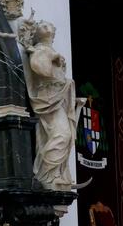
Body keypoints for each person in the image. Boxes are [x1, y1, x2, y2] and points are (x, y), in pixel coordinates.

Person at [23, 19, 82, 190]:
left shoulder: (49, 50)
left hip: (58, 99)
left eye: (49, 25)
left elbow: (58, 77)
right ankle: (46, 175)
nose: (47, 27)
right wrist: (51, 57)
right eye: (42, 25)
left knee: (66, 135)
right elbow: (40, 68)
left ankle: (54, 174)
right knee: (62, 134)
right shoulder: (40, 50)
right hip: (47, 100)